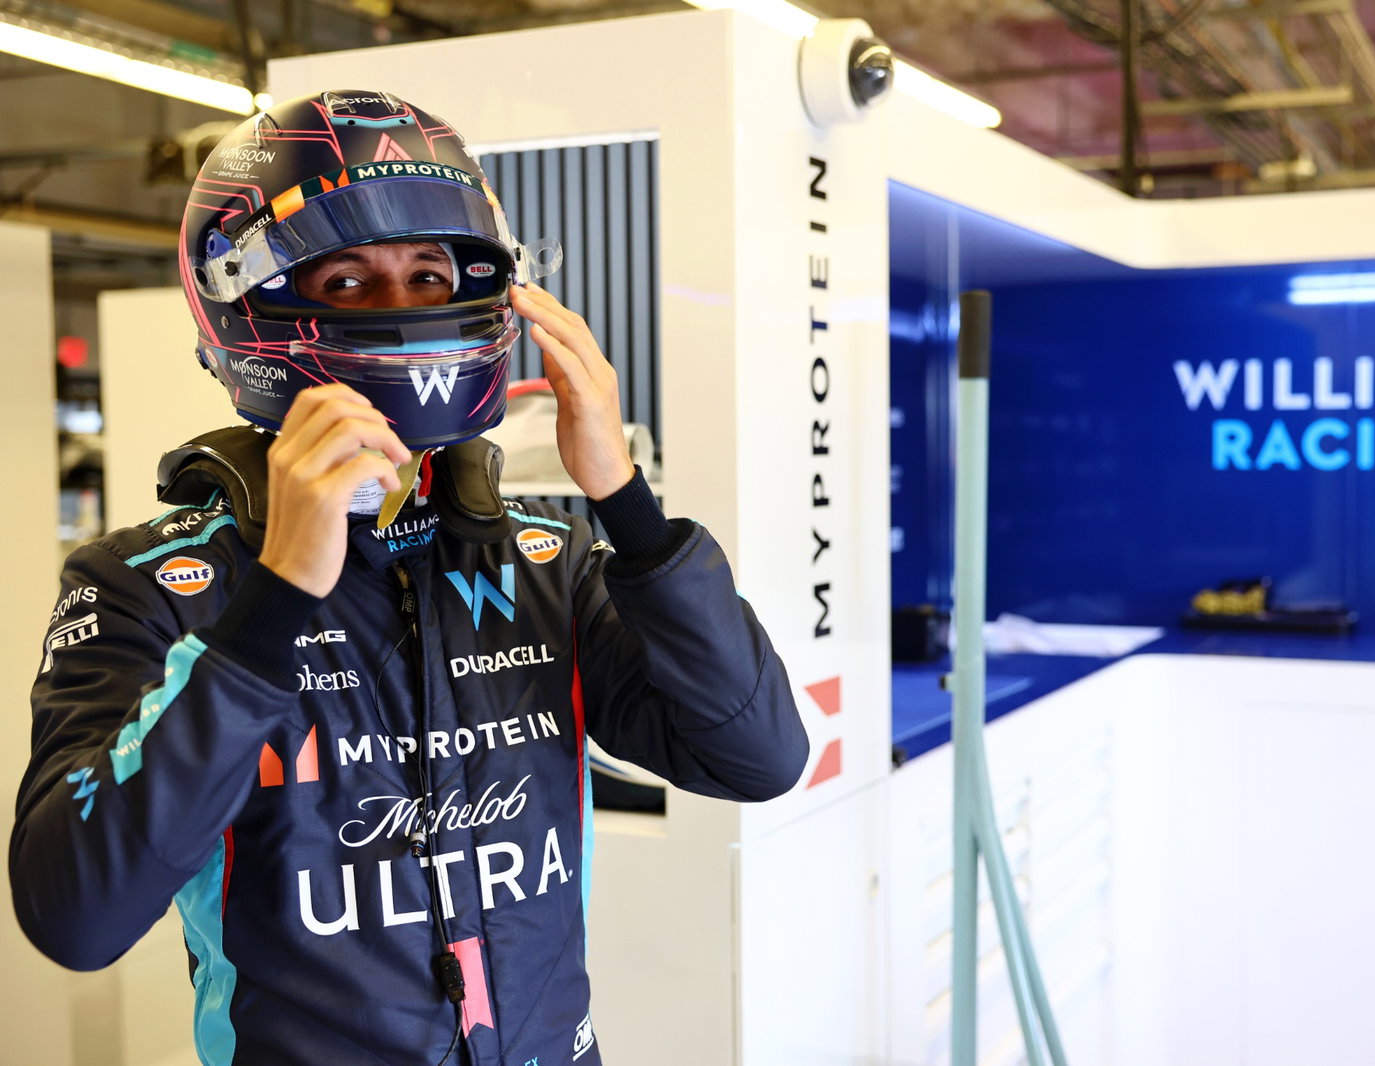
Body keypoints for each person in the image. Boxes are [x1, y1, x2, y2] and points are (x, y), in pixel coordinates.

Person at [10, 89, 808, 1066]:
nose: (403, 308)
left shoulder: (539, 562)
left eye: (430, 274)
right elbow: (74, 914)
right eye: (347, 281)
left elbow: (757, 756)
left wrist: (627, 505)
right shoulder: (150, 583)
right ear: (250, 304)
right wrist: (273, 604)